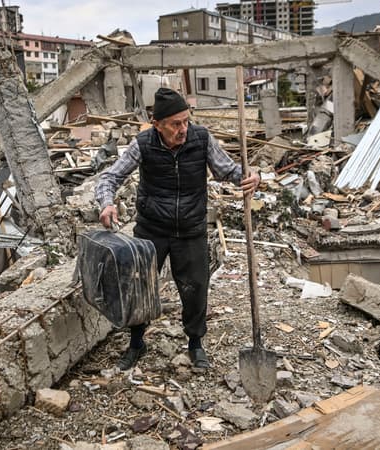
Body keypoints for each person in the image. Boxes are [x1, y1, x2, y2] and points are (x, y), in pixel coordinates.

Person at [94, 87, 260, 371]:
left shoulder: (201, 138)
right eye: (175, 124)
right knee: (139, 287)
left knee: (195, 289)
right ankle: (136, 342)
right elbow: (110, 176)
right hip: (152, 230)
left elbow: (229, 172)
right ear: (157, 124)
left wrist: (250, 177)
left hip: (191, 228)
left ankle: (195, 344)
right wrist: (106, 203)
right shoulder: (143, 143)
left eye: (186, 121)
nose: (183, 129)